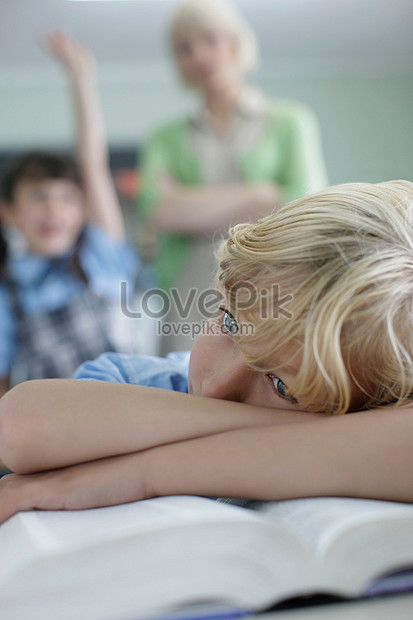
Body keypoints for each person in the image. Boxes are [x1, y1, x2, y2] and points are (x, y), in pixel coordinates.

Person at [0, 180, 413, 523]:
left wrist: (146, 472)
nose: (215, 388)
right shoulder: (141, 384)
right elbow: (20, 423)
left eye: (283, 387)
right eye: (230, 324)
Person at [138, 0, 328, 353]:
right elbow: (159, 211)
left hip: (276, 280)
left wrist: (187, 201)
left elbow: (302, 204)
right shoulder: (163, 137)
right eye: (184, 47)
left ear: (236, 41)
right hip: (189, 289)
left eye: (209, 39)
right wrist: (261, 194)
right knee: (184, 391)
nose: (198, 54)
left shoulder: (291, 121)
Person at [0, 32, 140, 396]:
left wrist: (81, 78)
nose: (53, 209)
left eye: (67, 197)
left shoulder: (100, 255)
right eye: (38, 196)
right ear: (8, 212)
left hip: (132, 414)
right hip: (53, 436)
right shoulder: (7, 291)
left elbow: (93, 164)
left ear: (84, 209)